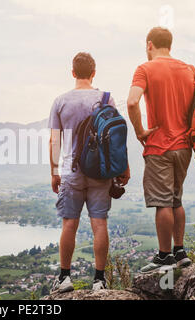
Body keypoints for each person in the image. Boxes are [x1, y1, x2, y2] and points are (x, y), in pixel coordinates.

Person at [49, 52, 130, 292]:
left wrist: (54, 172)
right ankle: (99, 280)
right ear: (94, 73)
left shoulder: (61, 101)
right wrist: (123, 167)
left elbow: (54, 142)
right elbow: (117, 139)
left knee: (69, 225)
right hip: (100, 172)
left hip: (71, 172)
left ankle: (64, 278)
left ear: (72, 72)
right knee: (99, 224)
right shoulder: (106, 99)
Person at [127, 27, 194, 273]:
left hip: (159, 145)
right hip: (184, 146)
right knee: (177, 199)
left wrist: (139, 130)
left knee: (162, 203)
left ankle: (165, 257)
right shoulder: (188, 70)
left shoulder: (145, 69)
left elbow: (133, 101)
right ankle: (180, 251)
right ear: (171, 45)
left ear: (149, 45)